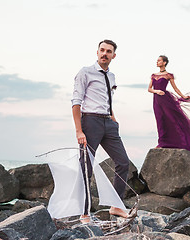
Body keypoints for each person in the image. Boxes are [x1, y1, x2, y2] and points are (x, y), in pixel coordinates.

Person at [71, 40, 130, 223]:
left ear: (114, 55)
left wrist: (113, 118)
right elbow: (76, 102)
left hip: (108, 123)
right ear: (97, 52)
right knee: (86, 167)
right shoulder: (85, 72)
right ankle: (84, 212)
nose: (105, 53)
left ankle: (116, 205)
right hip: (90, 122)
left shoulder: (111, 76)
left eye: (109, 51)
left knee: (123, 162)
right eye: (102, 50)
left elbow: (108, 98)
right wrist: (79, 130)